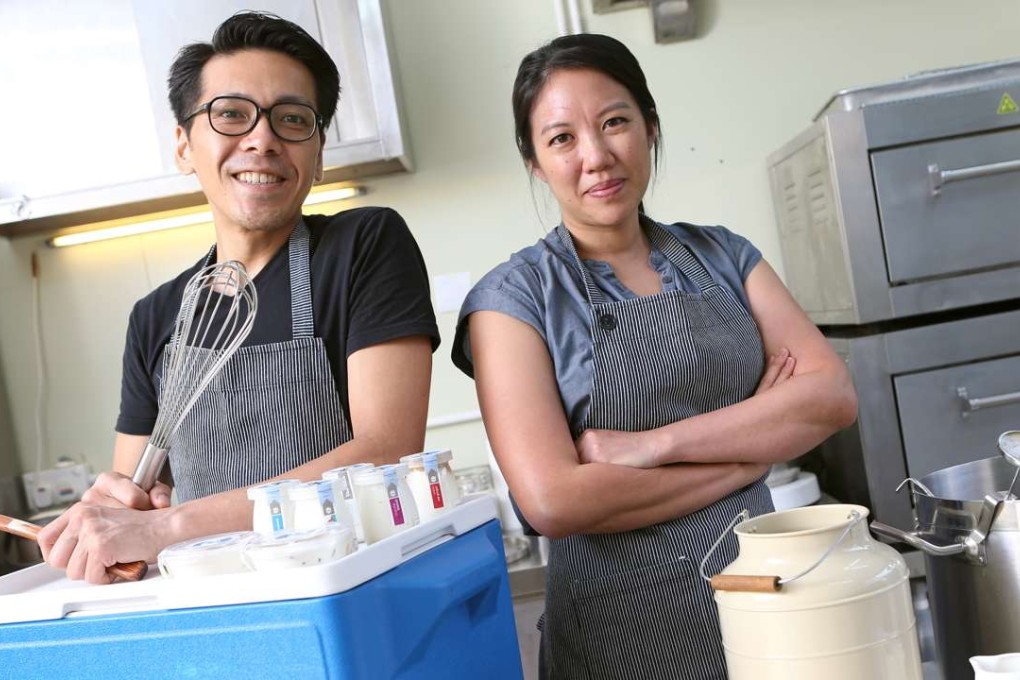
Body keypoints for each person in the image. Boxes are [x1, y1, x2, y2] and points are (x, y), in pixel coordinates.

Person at [452, 34, 858, 680]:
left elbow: (831, 397)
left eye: (615, 122)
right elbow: (555, 501)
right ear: (536, 163)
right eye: (562, 138)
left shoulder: (724, 256)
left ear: (651, 127)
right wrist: (751, 455)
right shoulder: (512, 300)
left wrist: (652, 446)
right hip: (619, 637)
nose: (596, 156)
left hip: (766, 604)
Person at [39, 12, 439, 584]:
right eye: (230, 114)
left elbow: (385, 451)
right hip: (214, 607)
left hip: (347, 591)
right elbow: (133, 510)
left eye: (292, 119)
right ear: (184, 145)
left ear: (319, 154)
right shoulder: (155, 317)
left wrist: (169, 525)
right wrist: (115, 516)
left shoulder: (362, 246)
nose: (262, 139)